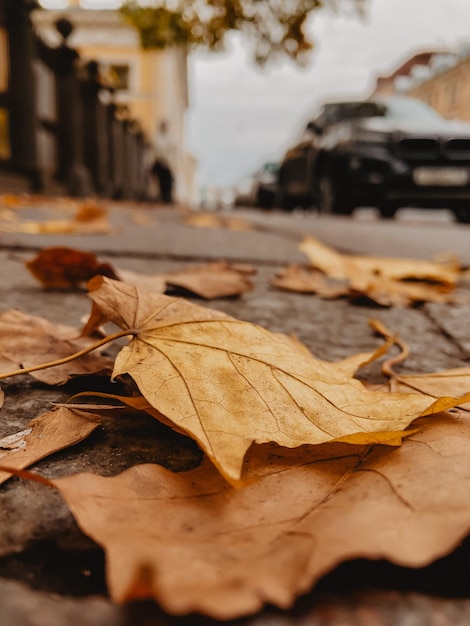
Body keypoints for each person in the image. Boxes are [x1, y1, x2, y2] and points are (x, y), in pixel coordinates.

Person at [151, 120, 176, 203]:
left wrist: (170, 160)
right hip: (159, 162)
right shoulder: (157, 138)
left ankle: (167, 196)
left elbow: (173, 150)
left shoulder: (169, 138)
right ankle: (162, 196)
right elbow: (155, 150)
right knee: (160, 180)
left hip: (167, 163)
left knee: (168, 181)